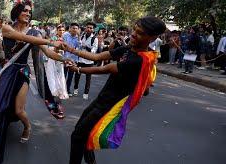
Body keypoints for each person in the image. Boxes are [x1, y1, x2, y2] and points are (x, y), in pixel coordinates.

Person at [0, 0, 68, 164]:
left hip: (23, 71)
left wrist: (64, 59)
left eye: (29, 12)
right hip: (8, 70)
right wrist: (50, 40)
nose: (28, 14)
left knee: (18, 110)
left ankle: (27, 126)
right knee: (1, 108)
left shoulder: (35, 33)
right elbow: (24, 39)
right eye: (25, 11)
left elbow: (48, 52)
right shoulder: (7, 28)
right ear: (17, 12)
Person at [61, 16, 166, 164]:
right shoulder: (130, 48)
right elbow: (97, 56)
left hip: (109, 106)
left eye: (140, 33)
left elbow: (104, 68)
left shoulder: (138, 60)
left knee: (78, 136)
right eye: (134, 30)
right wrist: (71, 49)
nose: (134, 34)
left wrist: (77, 69)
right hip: (102, 99)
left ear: (152, 38)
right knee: (83, 134)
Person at [73, 22, 98, 100]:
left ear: (93, 29)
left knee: (88, 78)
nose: (89, 29)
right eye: (88, 27)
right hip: (80, 59)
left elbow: (93, 51)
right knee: (77, 75)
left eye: (91, 28)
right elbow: (78, 47)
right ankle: (75, 88)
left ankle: (86, 93)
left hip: (89, 61)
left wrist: (85, 46)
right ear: (86, 28)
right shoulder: (82, 36)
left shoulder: (95, 39)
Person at [63, 23, 80, 96]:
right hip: (65, 59)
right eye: (73, 28)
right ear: (70, 28)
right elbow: (63, 45)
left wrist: (79, 37)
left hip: (74, 60)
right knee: (63, 75)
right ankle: (62, 90)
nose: (75, 30)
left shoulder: (78, 38)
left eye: (76, 28)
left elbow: (79, 47)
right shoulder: (65, 35)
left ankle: (68, 90)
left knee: (70, 76)